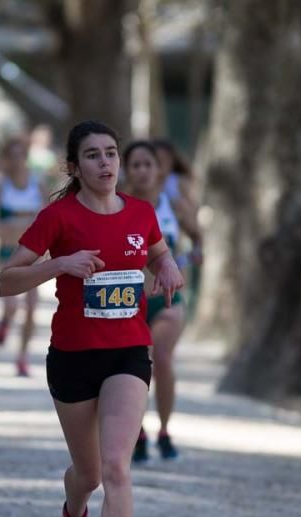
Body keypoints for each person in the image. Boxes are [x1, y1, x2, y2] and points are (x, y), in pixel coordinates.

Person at [0, 120, 184, 517]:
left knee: (118, 467)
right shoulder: (57, 217)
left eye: (111, 154)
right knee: (90, 474)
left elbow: (159, 251)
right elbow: (5, 282)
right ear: (75, 167)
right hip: (74, 357)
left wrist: (167, 267)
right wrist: (59, 265)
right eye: (94, 156)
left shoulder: (142, 213)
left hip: (127, 352)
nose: (106, 163)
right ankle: (73, 512)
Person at [122, 141, 203, 462]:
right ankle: (137, 432)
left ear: (160, 170)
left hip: (167, 299)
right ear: (127, 170)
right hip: (127, 301)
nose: (142, 171)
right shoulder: (118, 206)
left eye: (148, 164)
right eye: (135, 165)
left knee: (162, 360)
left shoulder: (174, 206)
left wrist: (187, 259)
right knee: (135, 367)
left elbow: (198, 238)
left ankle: (165, 431)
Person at [0, 136, 46, 377]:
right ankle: (5, 321)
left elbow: (48, 218)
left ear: (26, 157)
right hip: (7, 252)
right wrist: (1, 225)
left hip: (33, 254)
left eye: (20, 155)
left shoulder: (38, 184)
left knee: (32, 308)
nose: (16, 160)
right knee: (12, 305)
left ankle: (22, 357)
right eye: (11, 156)